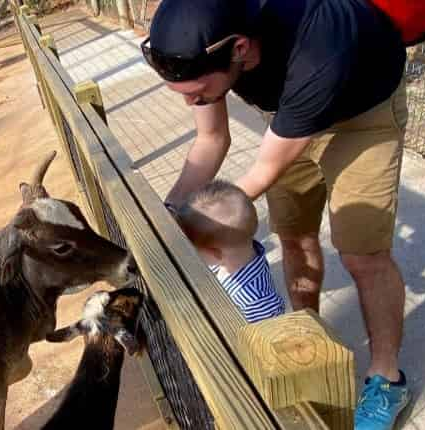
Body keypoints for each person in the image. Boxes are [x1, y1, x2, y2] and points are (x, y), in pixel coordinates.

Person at [143, 0, 410, 428]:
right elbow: (211, 139)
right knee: (294, 236)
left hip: (362, 115)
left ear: (240, 49)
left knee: (362, 254)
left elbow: (263, 171)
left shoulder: (318, 45)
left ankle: (387, 378)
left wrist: (196, 223)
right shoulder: (208, 49)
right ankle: (308, 344)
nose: (193, 101)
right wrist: (166, 213)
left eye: (197, 93)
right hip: (286, 115)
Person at [176, 180, 285, 323]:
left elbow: (264, 336)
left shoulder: (256, 302)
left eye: (193, 249)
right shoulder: (238, 253)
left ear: (216, 253)